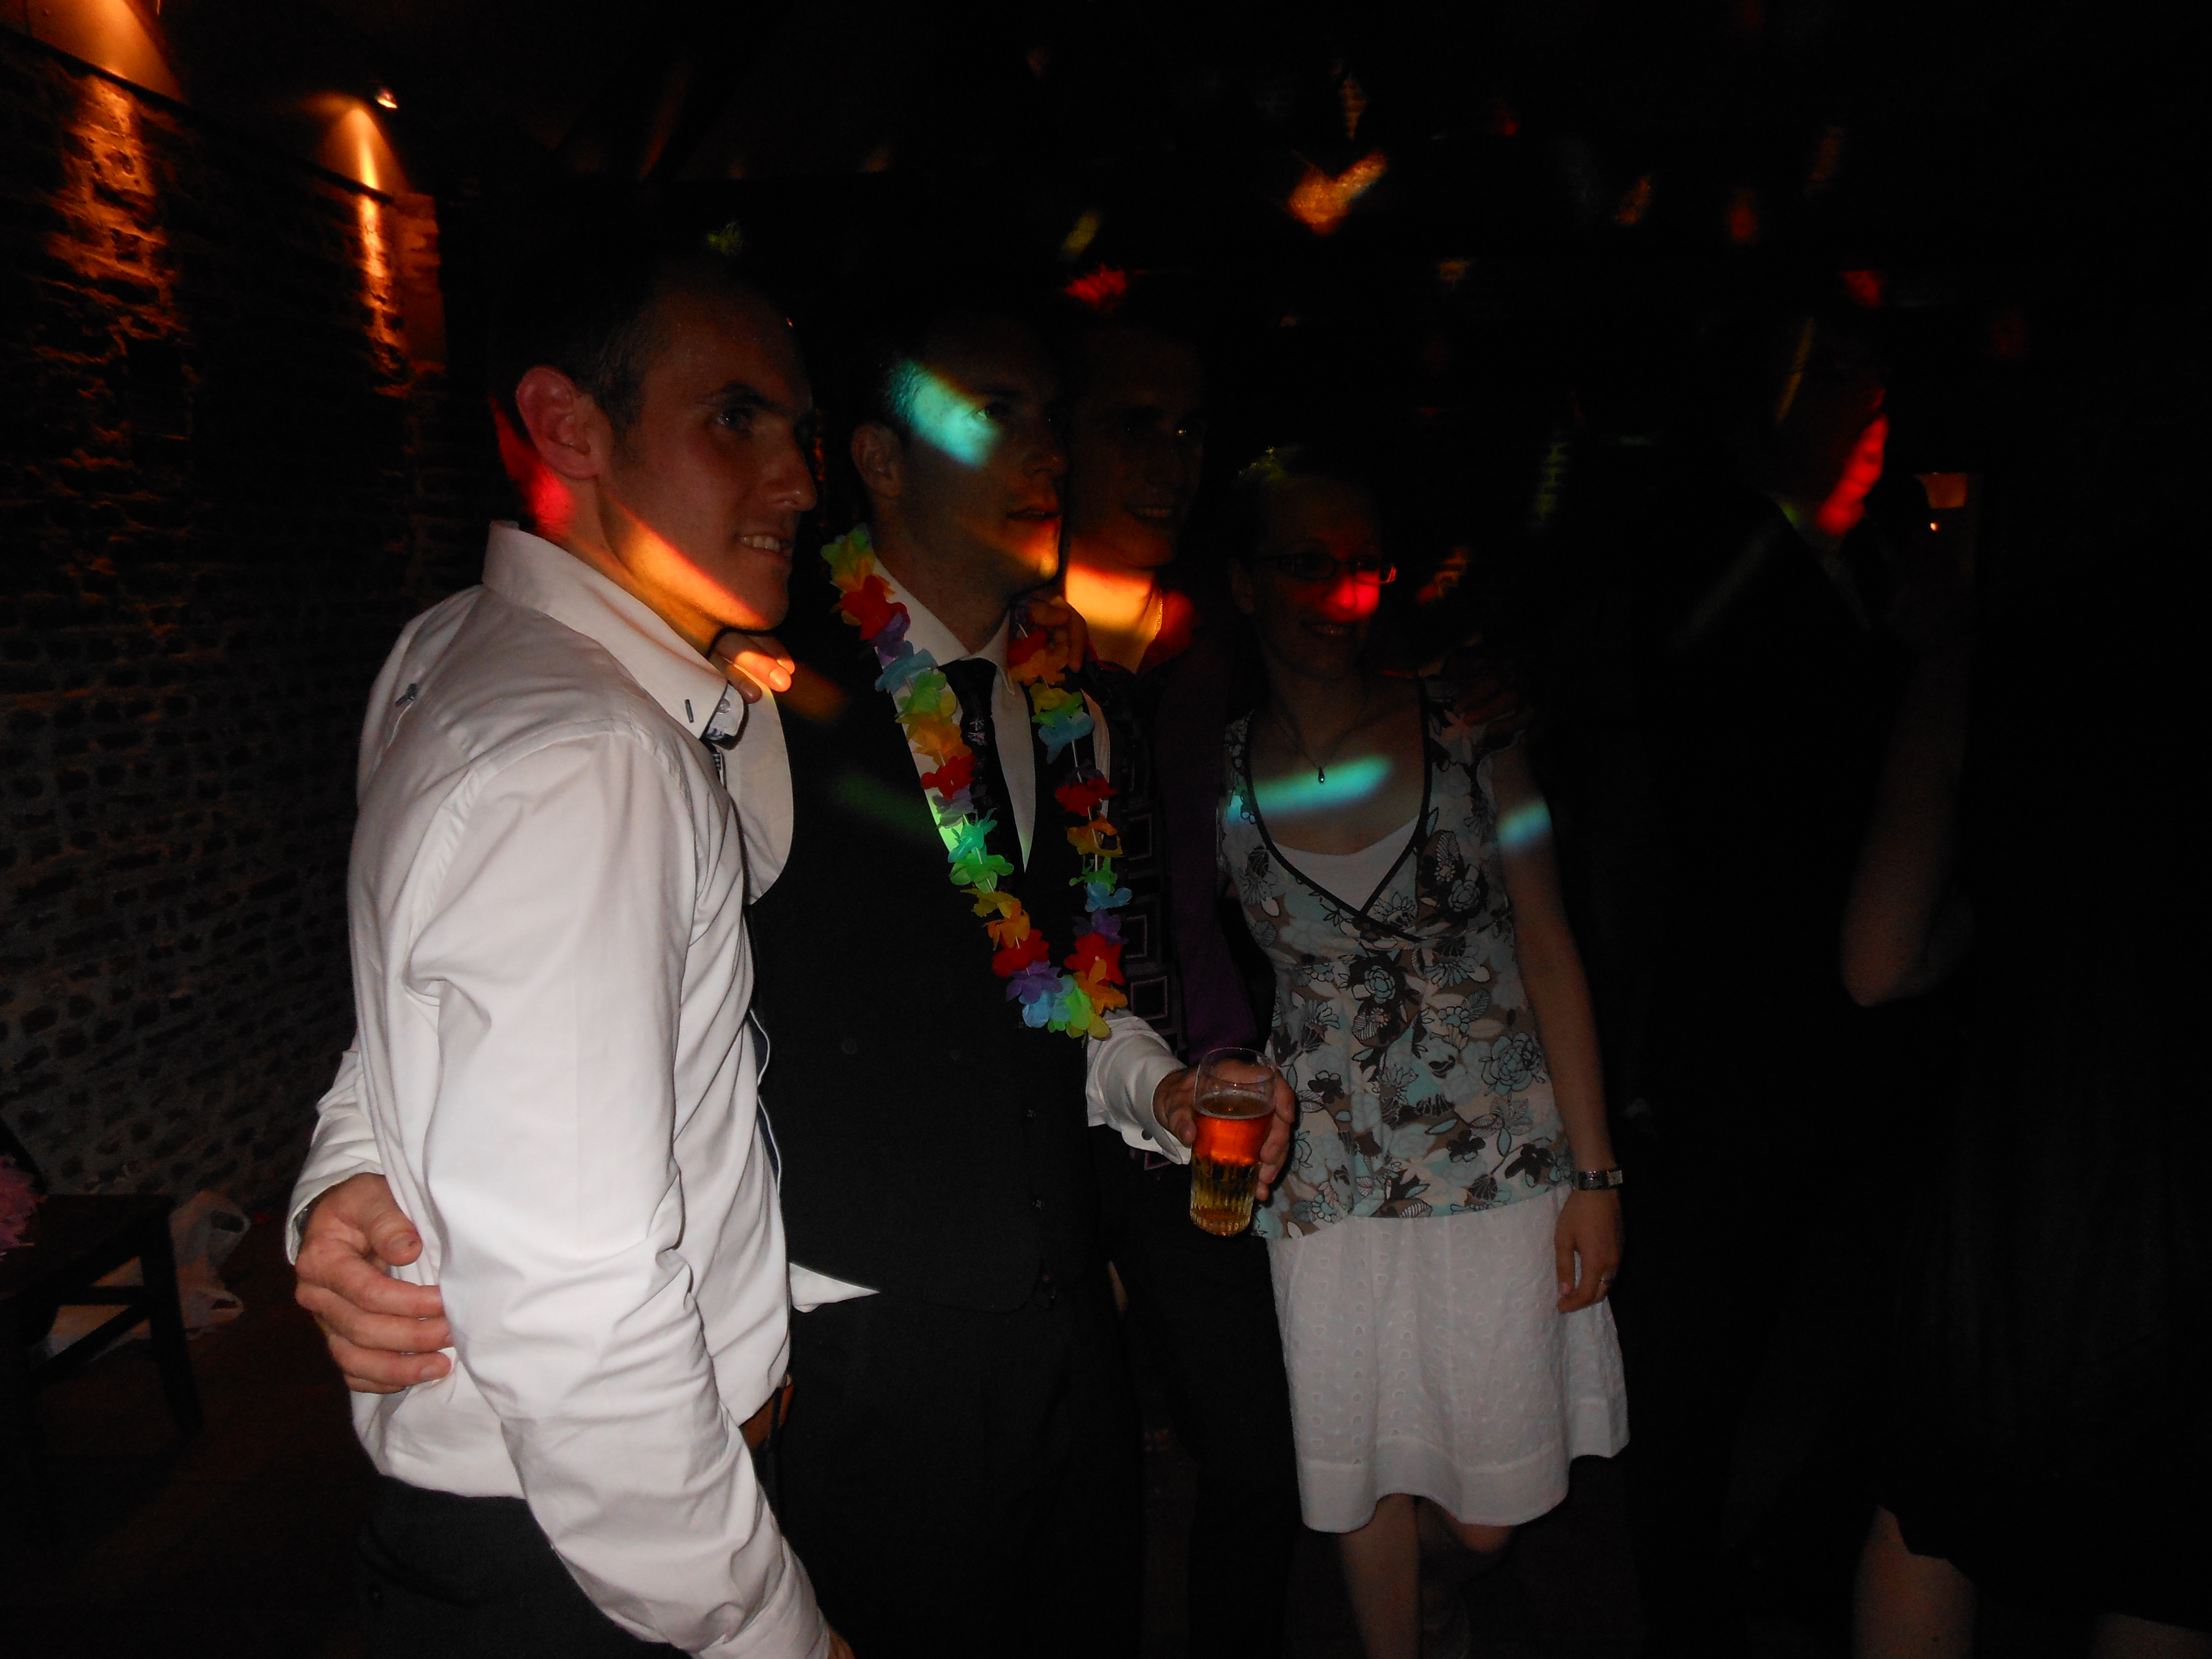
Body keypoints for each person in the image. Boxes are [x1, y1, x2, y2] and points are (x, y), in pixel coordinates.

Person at [293, 296, 1299, 1657]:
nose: (1047, 453)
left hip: (1065, 1331)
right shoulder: (739, 692)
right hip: (852, 1364)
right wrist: (356, 1160)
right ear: (878, 460)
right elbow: (474, 967)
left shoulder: (1076, 706)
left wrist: (1156, 1088)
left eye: (1053, 417)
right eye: (993, 416)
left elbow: (1054, 997)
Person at [286, 216, 845, 1656]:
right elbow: (578, 1308)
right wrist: (761, 1628)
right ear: (567, 425)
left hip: (540, 1523)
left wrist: (348, 1165)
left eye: (797, 429)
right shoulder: (590, 755)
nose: (800, 479)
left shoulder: (449, 649)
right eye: (736, 419)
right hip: (592, 1555)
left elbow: (416, 999)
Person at [1215, 446, 1630, 1659]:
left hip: (1503, 1160)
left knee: (1492, 1512)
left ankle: (1442, 1597)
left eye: (1364, 567)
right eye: (1307, 563)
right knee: (1362, 1468)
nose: (1341, 594)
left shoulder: (1471, 726)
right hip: (1325, 1172)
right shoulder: (1211, 766)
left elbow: (1550, 943)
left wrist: (1597, 1174)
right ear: (1244, 581)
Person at [1058, 303, 1303, 1654]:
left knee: (1258, 1452)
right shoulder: (981, 650)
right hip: (1039, 1111)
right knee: (1072, 1475)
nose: (1168, 461)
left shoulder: (1229, 650)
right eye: (1130, 425)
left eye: (1190, 429)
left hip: (1198, 1098)